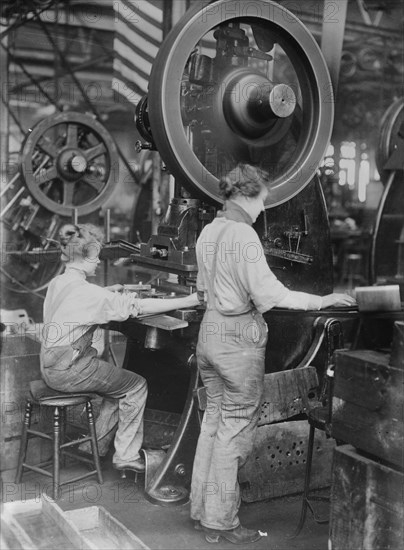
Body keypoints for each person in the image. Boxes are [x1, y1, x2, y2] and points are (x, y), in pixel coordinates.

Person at [190, 163, 356, 544]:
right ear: (247, 195)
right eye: (262, 200)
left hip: (209, 336)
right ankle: (223, 522)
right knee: (235, 432)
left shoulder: (208, 232)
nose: (263, 209)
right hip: (236, 341)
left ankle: (203, 512)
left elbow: (202, 292)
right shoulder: (244, 236)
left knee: (213, 424)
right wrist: (323, 299)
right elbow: (271, 296)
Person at [40, 223, 199, 474]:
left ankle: (95, 447)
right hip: (70, 370)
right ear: (86, 257)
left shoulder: (59, 283)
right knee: (135, 386)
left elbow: (79, 302)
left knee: (117, 386)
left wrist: (106, 293)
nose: (99, 261)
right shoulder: (89, 294)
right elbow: (138, 308)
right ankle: (126, 456)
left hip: (51, 365)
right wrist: (189, 300)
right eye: (97, 256)